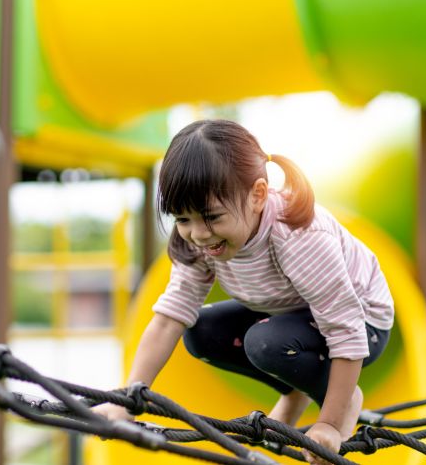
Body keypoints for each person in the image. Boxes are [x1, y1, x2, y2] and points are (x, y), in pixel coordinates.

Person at [95, 119, 394, 464]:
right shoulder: (197, 240)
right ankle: (296, 393)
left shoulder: (297, 237)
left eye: (212, 217)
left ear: (258, 195)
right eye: (182, 219)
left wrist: (329, 423)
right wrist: (128, 399)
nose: (199, 234)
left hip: (363, 323)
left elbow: (345, 326)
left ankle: (341, 399)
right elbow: (168, 320)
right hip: (292, 317)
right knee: (201, 332)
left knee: (265, 343)